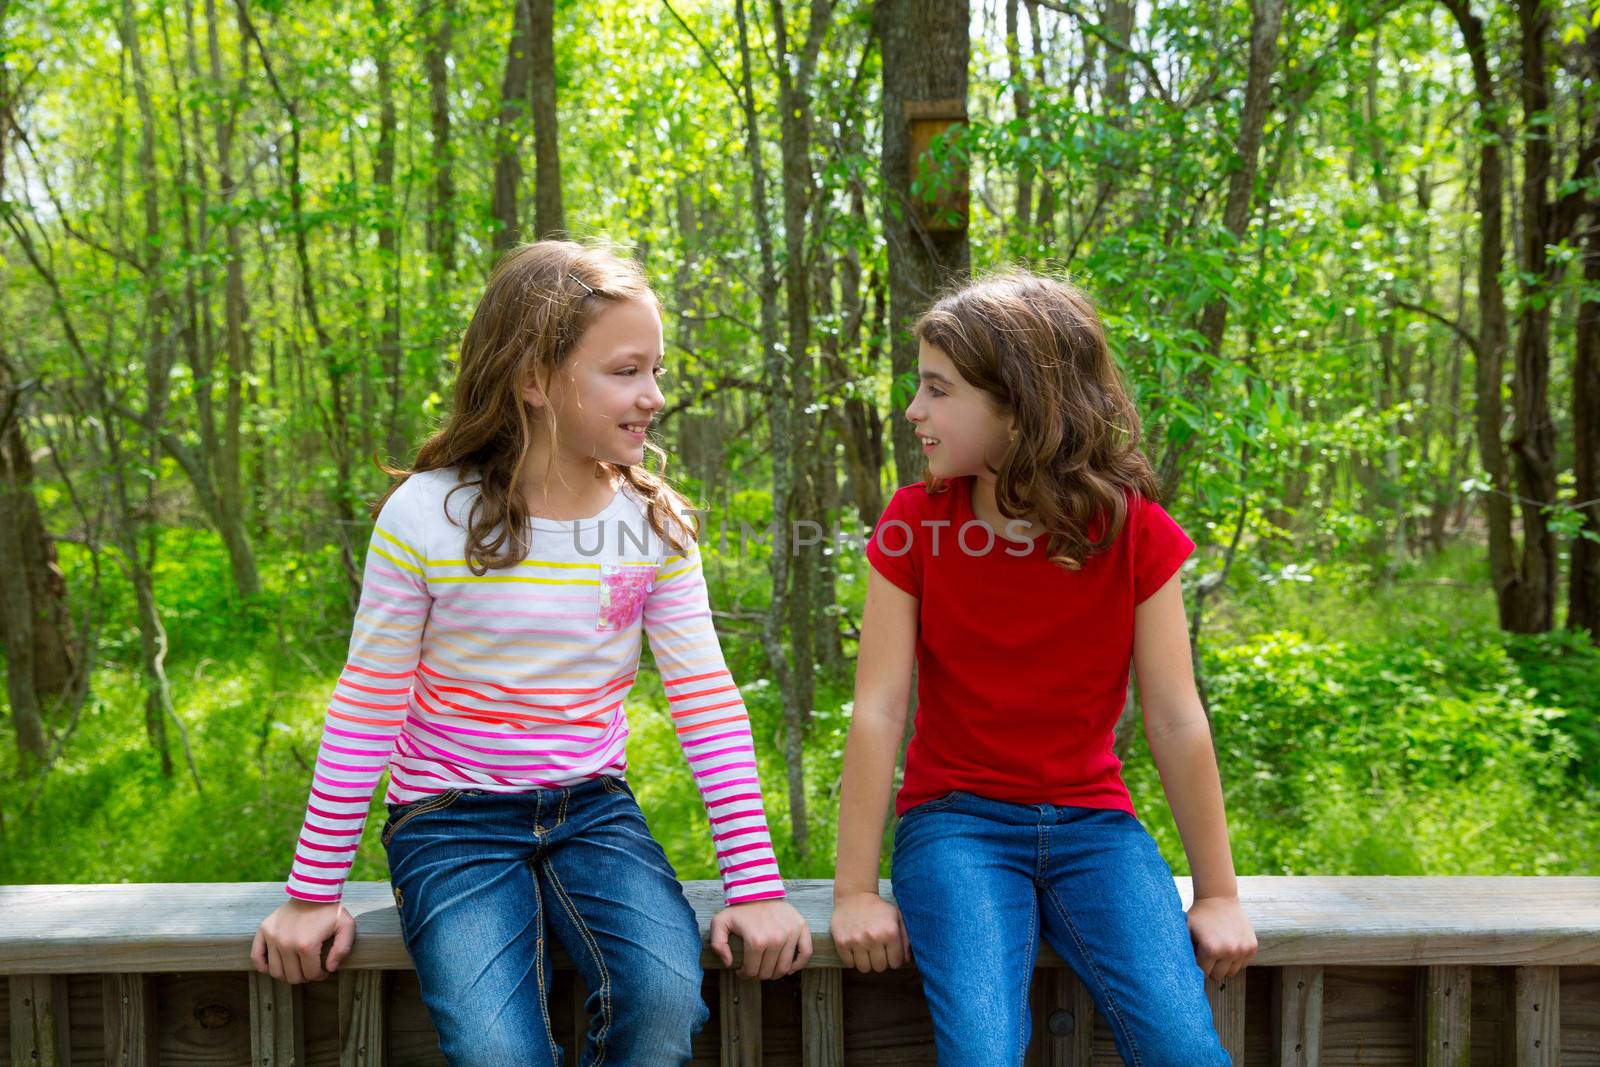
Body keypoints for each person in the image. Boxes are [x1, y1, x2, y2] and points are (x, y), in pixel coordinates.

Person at [251, 240, 810, 1067]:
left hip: (594, 807)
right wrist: (310, 894)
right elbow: (367, 704)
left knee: (661, 998)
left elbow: (706, 701)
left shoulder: (651, 525)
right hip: (451, 818)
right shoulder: (427, 515)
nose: (653, 396)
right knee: (494, 1046)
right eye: (626, 371)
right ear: (534, 379)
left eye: (655, 370)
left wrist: (757, 888)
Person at [828, 270, 1256, 1066]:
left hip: (1096, 828)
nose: (914, 411)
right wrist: (853, 888)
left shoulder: (1134, 532)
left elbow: (1173, 715)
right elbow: (880, 709)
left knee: (1181, 1043)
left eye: (938, 389)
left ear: (1019, 404)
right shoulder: (915, 522)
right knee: (983, 1051)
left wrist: (1219, 892)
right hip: (956, 825)